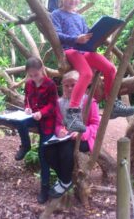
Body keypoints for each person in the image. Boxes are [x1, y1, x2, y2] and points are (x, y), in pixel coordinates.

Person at [51, 0, 134, 132]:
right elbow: (56, 35)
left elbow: (87, 35)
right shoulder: (56, 14)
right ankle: (72, 113)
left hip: (85, 50)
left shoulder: (80, 18)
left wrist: (97, 36)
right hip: (70, 49)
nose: (73, 0)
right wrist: (75, 39)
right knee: (87, 73)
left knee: (110, 68)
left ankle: (113, 104)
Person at [44, 70, 100, 198]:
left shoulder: (89, 101)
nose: (69, 88)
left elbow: (96, 125)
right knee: (48, 150)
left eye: (73, 85)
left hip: (84, 139)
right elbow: (58, 123)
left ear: (80, 84)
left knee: (65, 150)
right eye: (66, 85)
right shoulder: (60, 103)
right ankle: (65, 180)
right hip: (66, 138)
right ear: (62, 86)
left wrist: (81, 133)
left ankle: (64, 182)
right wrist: (60, 131)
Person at [14, 57, 59, 204]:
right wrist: (27, 108)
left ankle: (44, 188)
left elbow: (53, 106)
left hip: (47, 121)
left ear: (42, 70)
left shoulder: (50, 84)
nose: (33, 78)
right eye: (31, 75)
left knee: (43, 155)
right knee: (19, 122)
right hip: (34, 116)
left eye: (36, 74)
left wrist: (42, 113)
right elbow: (27, 99)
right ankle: (25, 145)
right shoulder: (28, 84)